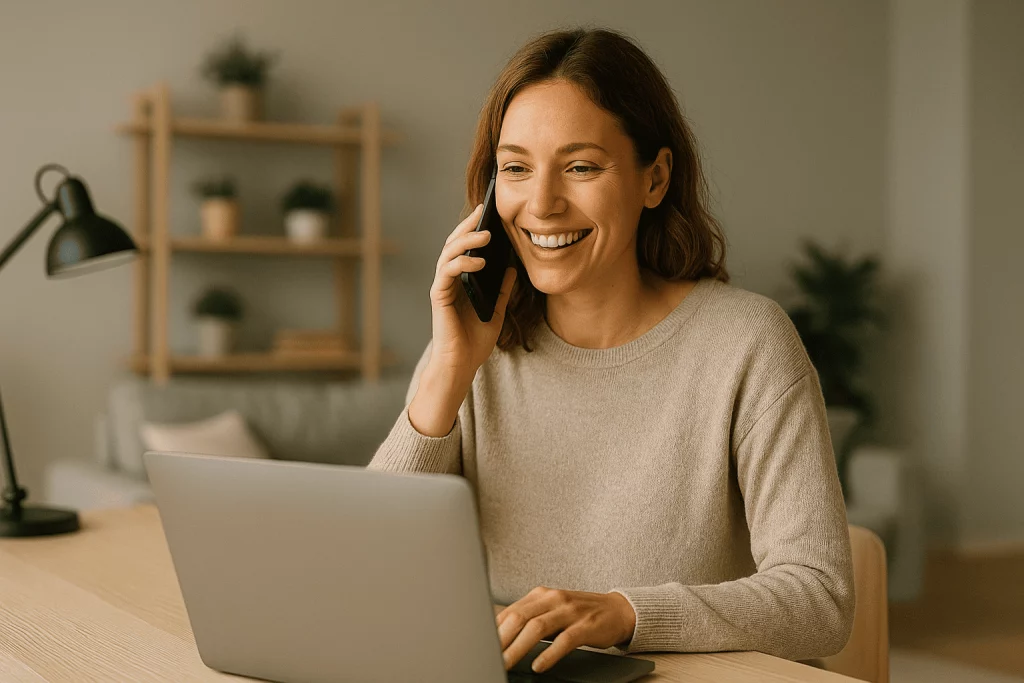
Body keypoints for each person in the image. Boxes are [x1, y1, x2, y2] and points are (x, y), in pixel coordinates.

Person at [367, 26, 854, 675]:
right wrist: (450, 367)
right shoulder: (474, 352)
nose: (541, 204)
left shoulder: (747, 342)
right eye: (515, 168)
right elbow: (367, 566)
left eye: (580, 167)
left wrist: (627, 613)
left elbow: (820, 599)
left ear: (654, 178)